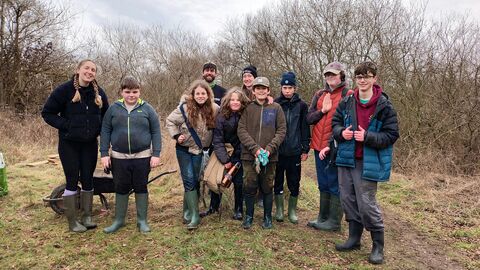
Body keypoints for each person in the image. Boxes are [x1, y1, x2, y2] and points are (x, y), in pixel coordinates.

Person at [331, 61, 399, 264]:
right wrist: (341, 132)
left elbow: (391, 134)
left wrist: (368, 136)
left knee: (367, 204)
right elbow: (335, 123)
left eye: (367, 76)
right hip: (346, 158)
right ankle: (354, 239)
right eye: (359, 77)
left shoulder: (384, 105)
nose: (362, 80)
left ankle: (378, 245)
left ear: (374, 79)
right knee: (347, 199)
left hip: (368, 161)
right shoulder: (347, 101)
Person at [42, 59, 109, 232]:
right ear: (78, 70)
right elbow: (47, 113)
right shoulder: (64, 90)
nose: (90, 72)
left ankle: (87, 217)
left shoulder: (98, 93)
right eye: (86, 68)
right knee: (72, 181)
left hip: (89, 145)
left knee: (88, 179)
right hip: (69, 145)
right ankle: (72, 222)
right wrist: (67, 126)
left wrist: (99, 131)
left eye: (93, 69)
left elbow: (106, 117)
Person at [100, 76, 161, 233]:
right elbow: (105, 130)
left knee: (141, 187)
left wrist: (156, 154)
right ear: (121, 92)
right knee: (121, 187)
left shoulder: (147, 109)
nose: (131, 95)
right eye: (127, 92)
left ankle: (142, 221)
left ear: (139, 91)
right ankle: (119, 220)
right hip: (119, 157)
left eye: (135, 91)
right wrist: (104, 153)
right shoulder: (113, 109)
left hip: (142, 156)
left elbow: (156, 131)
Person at [166, 80, 219, 230]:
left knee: (194, 180)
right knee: (189, 179)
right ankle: (195, 216)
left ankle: (186, 212)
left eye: (203, 93)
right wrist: (176, 136)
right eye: (198, 93)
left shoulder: (215, 109)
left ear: (208, 94)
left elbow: (228, 113)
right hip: (184, 150)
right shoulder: (184, 108)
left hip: (200, 151)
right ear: (193, 95)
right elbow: (170, 121)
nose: (201, 96)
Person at [306, 62, 353, 232]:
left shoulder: (348, 95)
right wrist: (323, 111)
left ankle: (334, 222)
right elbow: (309, 118)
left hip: (335, 146)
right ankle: (322, 217)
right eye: (327, 74)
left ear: (342, 75)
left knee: (334, 183)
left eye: (333, 74)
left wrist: (331, 143)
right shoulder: (319, 94)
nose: (330, 77)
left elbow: (348, 123)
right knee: (323, 183)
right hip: (317, 146)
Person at [237, 77, 286, 229]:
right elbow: (241, 130)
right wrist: (255, 149)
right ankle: (249, 217)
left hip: (270, 157)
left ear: (269, 90)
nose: (261, 91)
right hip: (249, 156)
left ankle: (267, 217)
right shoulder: (247, 108)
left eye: (264, 88)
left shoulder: (276, 108)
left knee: (267, 186)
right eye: (258, 88)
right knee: (249, 186)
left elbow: (282, 130)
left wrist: (269, 149)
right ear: (253, 90)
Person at [273, 72, 310, 224]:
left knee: (294, 181)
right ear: (281, 88)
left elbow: (305, 127)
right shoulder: (275, 104)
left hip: (295, 151)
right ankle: (280, 210)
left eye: (290, 87)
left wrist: (305, 148)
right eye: (284, 87)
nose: (287, 90)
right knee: (278, 180)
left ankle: (292, 210)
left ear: (295, 88)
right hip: (278, 151)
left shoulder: (302, 105)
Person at [210, 87, 250, 220]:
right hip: (224, 153)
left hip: (241, 154)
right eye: (232, 99)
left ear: (242, 102)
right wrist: (225, 160)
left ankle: (238, 209)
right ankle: (213, 206)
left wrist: (239, 156)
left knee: (238, 182)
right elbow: (217, 139)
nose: (235, 102)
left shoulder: (246, 115)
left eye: (238, 100)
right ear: (227, 101)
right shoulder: (221, 116)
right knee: (216, 180)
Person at [200, 61, 227, 217]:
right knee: (200, 174)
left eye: (212, 70)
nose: (209, 73)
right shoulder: (196, 90)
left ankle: (215, 205)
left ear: (216, 73)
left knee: (215, 173)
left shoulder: (222, 92)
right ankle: (199, 203)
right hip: (199, 140)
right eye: (206, 70)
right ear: (203, 73)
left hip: (215, 139)